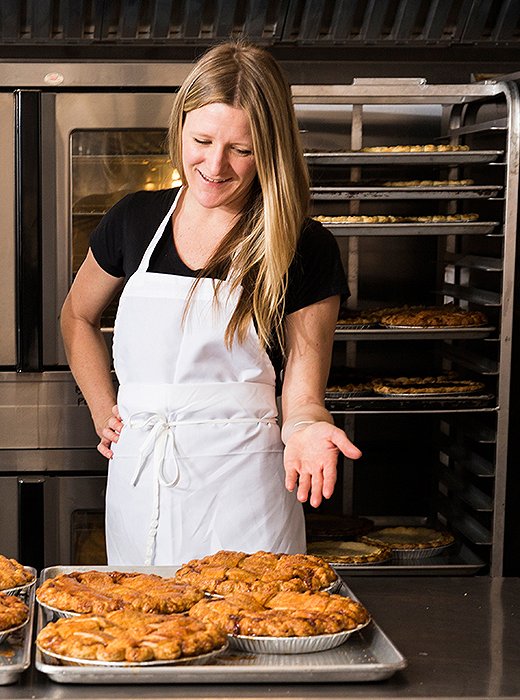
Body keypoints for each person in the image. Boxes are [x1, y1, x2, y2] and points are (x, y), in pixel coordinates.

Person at [60, 40, 362, 566]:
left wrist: (308, 429)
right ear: (180, 126)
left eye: (241, 150)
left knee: (250, 626)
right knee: (143, 635)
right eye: (201, 140)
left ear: (271, 150)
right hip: (142, 479)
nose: (215, 165)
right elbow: (77, 316)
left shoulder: (301, 244)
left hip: (246, 490)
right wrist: (101, 406)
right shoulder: (134, 219)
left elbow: (303, 395)